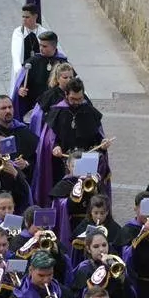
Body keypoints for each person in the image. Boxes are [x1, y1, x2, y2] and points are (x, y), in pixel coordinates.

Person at [37, 77, 111, 205]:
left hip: (87, 162)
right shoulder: (57, 112)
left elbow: (98, 136)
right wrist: (55, 147)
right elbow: (49, 139)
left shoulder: (89, 111)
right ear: (66, 95)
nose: (77, 102)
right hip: (63, 163)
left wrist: (103, 143)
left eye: (80, 99)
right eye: (73, 99)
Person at [70, 229, 139, 298]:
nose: (101, 249)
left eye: (104, 245)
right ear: (89, 249)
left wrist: (123, 279)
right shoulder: (84, 268)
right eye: (96, 246)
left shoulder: (115, 262)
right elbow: (90, 294)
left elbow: (128, 291)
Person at [0, 94, 38, 181]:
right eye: (3, 108)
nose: (8, 111)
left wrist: (26, 163)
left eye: (10, 107)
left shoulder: (23, 130)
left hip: (18, 181)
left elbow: (35, 157)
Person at [11, 205, 73, 285]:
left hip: (52, 280)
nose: (41, 227)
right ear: (27, 223)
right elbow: (15, 265)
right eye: (36, 223)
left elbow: (63, 262)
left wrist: (56, 252)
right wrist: (33, 242)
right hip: (28, 282)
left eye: (42, 223)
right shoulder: (17, 240)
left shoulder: (48, 236)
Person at [12, 30, 67, 120]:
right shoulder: (32, 62)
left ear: (54, 46)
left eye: (44, 46)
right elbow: (20, 83)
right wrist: (20, 89)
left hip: (55, 107)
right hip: (34, 106)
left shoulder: (62, 63)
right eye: (40, 45)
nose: (41, 48)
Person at [71, 193, 124, 265]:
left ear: (107, 212)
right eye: (96, 213)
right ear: (91, 212)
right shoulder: (85, 223)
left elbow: (118, 248)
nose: (98, 216)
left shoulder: (114, 227)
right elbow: (74, 238)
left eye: (102, 213)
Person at [9, 3, 48, 91]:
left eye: (27, 17)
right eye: (23, 17)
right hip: (23, 72)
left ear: (35, 17)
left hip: (39, 73)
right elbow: (16, 54)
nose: (24, 20)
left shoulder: (44, 33)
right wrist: (19, 73)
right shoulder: (18, 33)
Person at [35, 63, 77, 131]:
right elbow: (37, 117)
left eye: (71, 77)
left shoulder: (78, 93)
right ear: (57, 79)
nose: (69, 80)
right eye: (65, 78)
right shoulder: (49, 95)